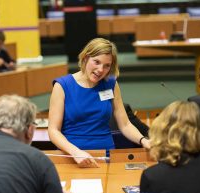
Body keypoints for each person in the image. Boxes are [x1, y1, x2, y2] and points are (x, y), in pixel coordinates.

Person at [48, 38, 150, 168]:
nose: (101, 70)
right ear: (85, 58)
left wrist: (143, 140)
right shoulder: (62, 86)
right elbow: (53, 130)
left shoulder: (111, 84)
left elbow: (125, 124)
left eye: (107, 65)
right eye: (96, 62)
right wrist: (76, 152)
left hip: (105, 155)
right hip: (72, 156)